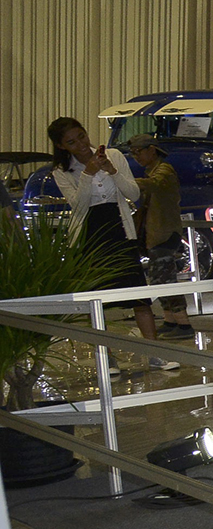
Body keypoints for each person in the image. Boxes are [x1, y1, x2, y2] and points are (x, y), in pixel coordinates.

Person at [47, 117, 177, 370]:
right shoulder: (61, 171)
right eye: (72, 142)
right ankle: (106, 359)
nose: (81, 144)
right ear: (62, 146)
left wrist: (112, 171)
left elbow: (134, 194)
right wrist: (88, 173)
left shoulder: (114, 155)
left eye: (82, 136)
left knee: (139, 297)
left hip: (120, 230)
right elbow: (78, 205)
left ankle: (155, 353)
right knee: (97, 303)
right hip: (89, 236)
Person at [127, 134, 192, 338]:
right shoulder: (153, 171)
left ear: (152, 150)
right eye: (133, 153)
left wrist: (126, 183)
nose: (136, 157)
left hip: (165, 234)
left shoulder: (164, 171)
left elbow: (154, 184)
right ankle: (170, 320)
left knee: (165, 280)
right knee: (159, 280)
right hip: (157, 235)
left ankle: (184, 325)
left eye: (138, 152)